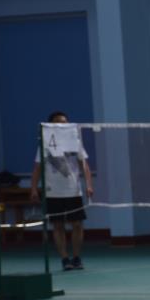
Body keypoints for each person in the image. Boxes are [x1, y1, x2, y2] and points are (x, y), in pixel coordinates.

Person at [30, 111, 93, 271]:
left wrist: (89, 185)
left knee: (77, 225)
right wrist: (34, 189)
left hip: (73, 191)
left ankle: (77, 257)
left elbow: (84, 165)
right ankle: (65, 259)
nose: (61, 125)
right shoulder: (45, 144)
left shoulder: (75, 141)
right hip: (53, 191)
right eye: (57, 122)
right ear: (50, 125)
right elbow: (37, 168)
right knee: (58, 226)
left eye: (64, 122)